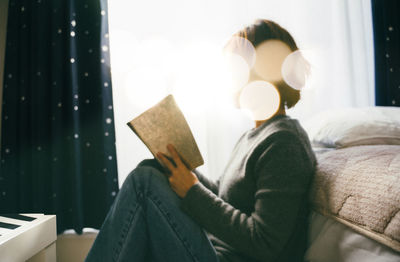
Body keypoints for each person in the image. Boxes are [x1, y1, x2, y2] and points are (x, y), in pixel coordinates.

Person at [85, 19, 316, 262]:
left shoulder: (284, 143)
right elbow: (226, 199)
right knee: (151, 170)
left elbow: (265, 242)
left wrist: (192, 190)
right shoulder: (255, 136)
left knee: (145, 183)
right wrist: (181, 169)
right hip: (214, 251)